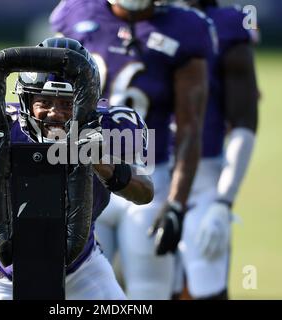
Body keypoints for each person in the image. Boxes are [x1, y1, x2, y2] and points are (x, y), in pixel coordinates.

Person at [0, 37, 153, 300]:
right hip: (6, 274)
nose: (55, 113)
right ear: (25, 101)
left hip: (82, 268)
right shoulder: (7, 126)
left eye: (67, 103)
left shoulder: (112, 126)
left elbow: (145, 192)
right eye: (44, 101)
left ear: (88, 102)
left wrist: (99, 160)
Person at [50, 0, 213, 299]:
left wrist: (177, 203)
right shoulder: (77, 11)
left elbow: (190, 126)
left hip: (148, 176)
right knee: (74, 289)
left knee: (149, 292)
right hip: (86, 172)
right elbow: (48, 98)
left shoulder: (185, 27)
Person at [170, 0, 260, 299]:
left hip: (201, 178)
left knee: (205, 287)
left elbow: (244, 121)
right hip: (134, 176)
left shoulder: (228, 24)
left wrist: (224, 200)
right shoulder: (105, 18)